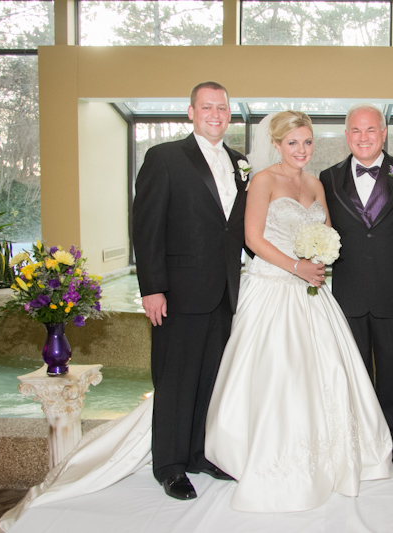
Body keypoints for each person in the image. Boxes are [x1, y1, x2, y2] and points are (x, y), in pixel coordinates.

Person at [205, 110, 393, 512]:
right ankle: (265, 456)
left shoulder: (315, 184)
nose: (301, 149)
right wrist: (296, 266)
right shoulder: (263, 181)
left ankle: (332, 456)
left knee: (328, 370)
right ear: (276, 145)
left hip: (312, 290)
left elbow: (327, 232)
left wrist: (320, 257)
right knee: (281, 374)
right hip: (273, 286)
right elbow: (253, 238)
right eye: (292, 143)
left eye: (307, 142)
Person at [132, 81, 247, 500]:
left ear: (229, 114)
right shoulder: (164, 157)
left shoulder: (240, 162)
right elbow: (146, 227)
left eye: (222, 108)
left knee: (211, 379)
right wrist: (153, 288)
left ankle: (200, 454)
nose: (215, 114)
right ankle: (170, 465)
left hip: (225, 292)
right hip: (178, 293)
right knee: (175, 380)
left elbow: (236, 227)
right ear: (191, 112)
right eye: (207, 107)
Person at [320, 104, 393, 468]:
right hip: (348, 291)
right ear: (347, 135)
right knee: (353, 371)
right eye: (356, 130)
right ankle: (359, 439)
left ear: (384, 133)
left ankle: (392, 440)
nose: (363, 138)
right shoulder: (328, 178)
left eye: (371, 130)